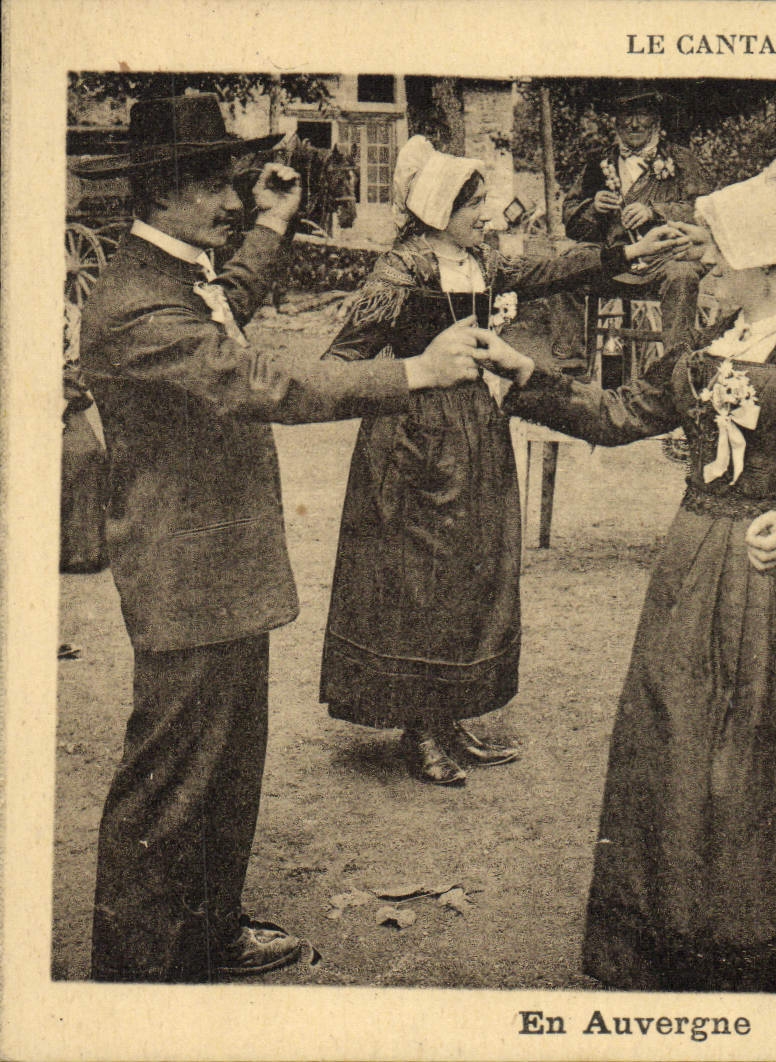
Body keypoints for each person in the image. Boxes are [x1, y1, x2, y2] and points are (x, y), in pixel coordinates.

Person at [74, 95, 512, 981]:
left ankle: (206, 931)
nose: (231, 201)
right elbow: (258, 382)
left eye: (234, 184)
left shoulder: (174, 275)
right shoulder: (134, 308)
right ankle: (137, 972)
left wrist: (272, 224)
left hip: (221, 571)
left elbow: (229, 303)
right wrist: (415, 370)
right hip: (188, 579)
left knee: (227, 771)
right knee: (170, 780)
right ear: (157, 194)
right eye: (213, 187)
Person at [505, 155, 776, 993]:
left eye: (712, 253)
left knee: (755, 764)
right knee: (678, 741)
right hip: (691, 568)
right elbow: (624, 411)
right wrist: (523, 380)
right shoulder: (712, 343)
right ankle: (679, 933)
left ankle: (761, 949)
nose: (699, 269)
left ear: (756, 260)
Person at [319, 136, 691, 786]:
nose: (487, 216)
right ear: (440, 209)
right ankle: (421, 730)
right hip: (410, 444)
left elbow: (550, 272)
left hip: (474, 433)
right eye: (474, 206)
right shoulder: (401, 271)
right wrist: (411, 370)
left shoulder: (478, 261)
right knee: (420, 583)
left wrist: (630, 250)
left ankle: (450, 718)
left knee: (469, 574)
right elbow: (337, 362)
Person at [547, 82, 709, 367]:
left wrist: (655, 211)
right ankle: (569, 367)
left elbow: (705, 211)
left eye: (642, 114)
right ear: (616, 121)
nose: (634, 123)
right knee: (566, 265)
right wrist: (592, 208)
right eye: (626, 115)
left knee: (683, 275)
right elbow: (570, 222)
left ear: (656, 120)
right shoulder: (599, 163)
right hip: (614, 258)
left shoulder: (681, 160)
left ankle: (676, 369)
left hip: (665, 259)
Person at [60, 301, 108, 573]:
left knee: (88, 452)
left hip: (65, 400)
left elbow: (78, 364)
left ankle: (84, 549)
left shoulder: (71, 314)